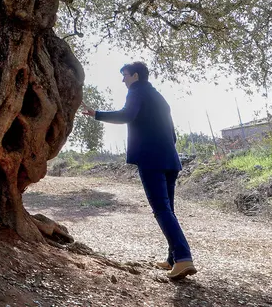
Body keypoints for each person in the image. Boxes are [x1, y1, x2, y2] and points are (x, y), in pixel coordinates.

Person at [80, 61, 196, 280]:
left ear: (134, 76)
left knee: (161, 210)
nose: (123, 80)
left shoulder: (136, 91)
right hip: (170, 159)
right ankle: (172, 258)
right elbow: (173, 134)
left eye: (124, 75)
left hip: (150, 159)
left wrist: (96, 114)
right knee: (168, 209)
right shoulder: (158, 97)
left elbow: (126, 115)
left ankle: (183, 258)